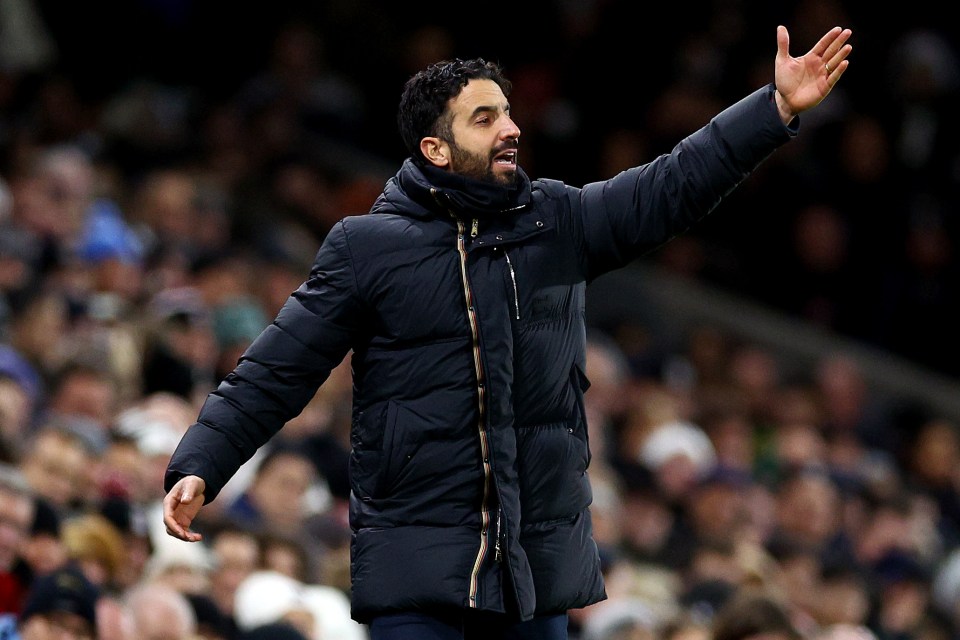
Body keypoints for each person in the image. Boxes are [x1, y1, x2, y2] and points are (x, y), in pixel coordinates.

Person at [163, 24, 853, 640]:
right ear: (435, 147)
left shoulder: (556, 220)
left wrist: (774, 110)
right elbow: (278, 367)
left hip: (533, 577)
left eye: (509, 111)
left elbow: (670, 185)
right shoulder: (365, 248)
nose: (510, 129)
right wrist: (202, 461)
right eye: (485, 117)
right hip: (416, 575)